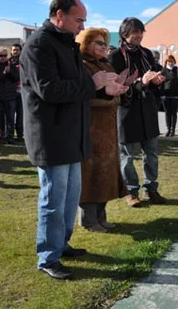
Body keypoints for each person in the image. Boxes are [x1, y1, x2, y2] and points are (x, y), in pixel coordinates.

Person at [20, 0, 123, 280]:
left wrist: (105, 88)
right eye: (78, 20)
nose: (82, 26)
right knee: (53, 198)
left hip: (72, 134)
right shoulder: (39, 45)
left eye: (83, 21)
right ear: (59, 16)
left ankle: (61, 244)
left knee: (69, 197)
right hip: (51, 135)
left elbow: (80, 86)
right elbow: (50, 90)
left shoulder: (67, 45)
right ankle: (48, 256)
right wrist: (92, 84)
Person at [109, 17, 168, 208]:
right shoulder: (115, 57)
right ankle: (131, 191)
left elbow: (154, 78)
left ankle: (151, 188)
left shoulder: (147, 54)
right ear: (124, 33)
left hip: (147, 110)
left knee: (151, 153)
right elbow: (116, 85)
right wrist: (140, 82)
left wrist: (157, 80)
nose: (139, 35)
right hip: (126, 111)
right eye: (135, 32)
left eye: (141, 32)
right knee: (127, 155)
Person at [77, 28, 132, 232]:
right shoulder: (82, 65)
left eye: (104, 43)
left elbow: (113, 95)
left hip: (108, 129)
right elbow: (84, 96)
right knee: (90, 173)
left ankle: (101, 216)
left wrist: (122, 89)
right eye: (98, 43)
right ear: (86, 43)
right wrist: (109, 98)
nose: (103, 47)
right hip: (90, 127)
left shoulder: (106, 64)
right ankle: (89, 219)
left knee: (106, 173)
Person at [161, 54, 178, 137]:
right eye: (169, 61)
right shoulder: (163, 71)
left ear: (174, 62)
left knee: (173, 112)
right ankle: (168, 129)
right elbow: (161, 83)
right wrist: (162, 93)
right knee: (167, 113)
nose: (170, 63)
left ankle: (173, 130)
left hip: (175, 95)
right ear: (166, 62)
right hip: (166, 95)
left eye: (172, 61)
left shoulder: (177, 70)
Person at [9, 43, 24, 141]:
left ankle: (19, 134)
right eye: (13, 50)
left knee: (20, 114)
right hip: (11, 90)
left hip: (22, 90)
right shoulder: (8, 61)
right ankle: (10, 134)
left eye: (17, 50)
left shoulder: (24, 60)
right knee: (10, 114)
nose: (15, 51)